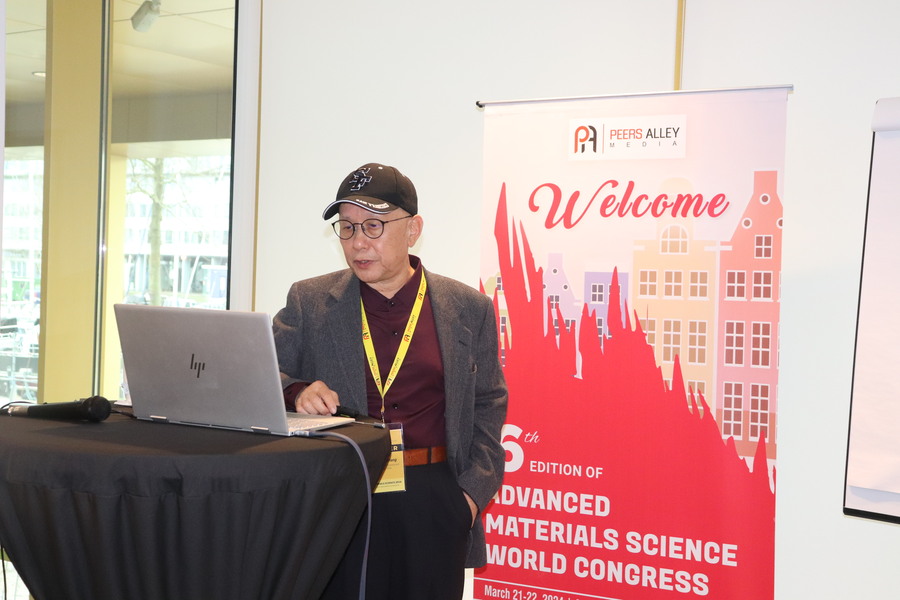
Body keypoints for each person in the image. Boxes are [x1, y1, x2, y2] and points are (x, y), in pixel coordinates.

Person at [272, 162, 508, 600]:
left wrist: (468, 499)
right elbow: (266, 375)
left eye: (373, 226)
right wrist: (298, 390)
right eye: (347, 228)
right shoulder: (309, 301)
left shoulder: (468, 308)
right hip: (339, 495)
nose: (358, 242)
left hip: (433, 499)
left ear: (413, 229)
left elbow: (489, 404)